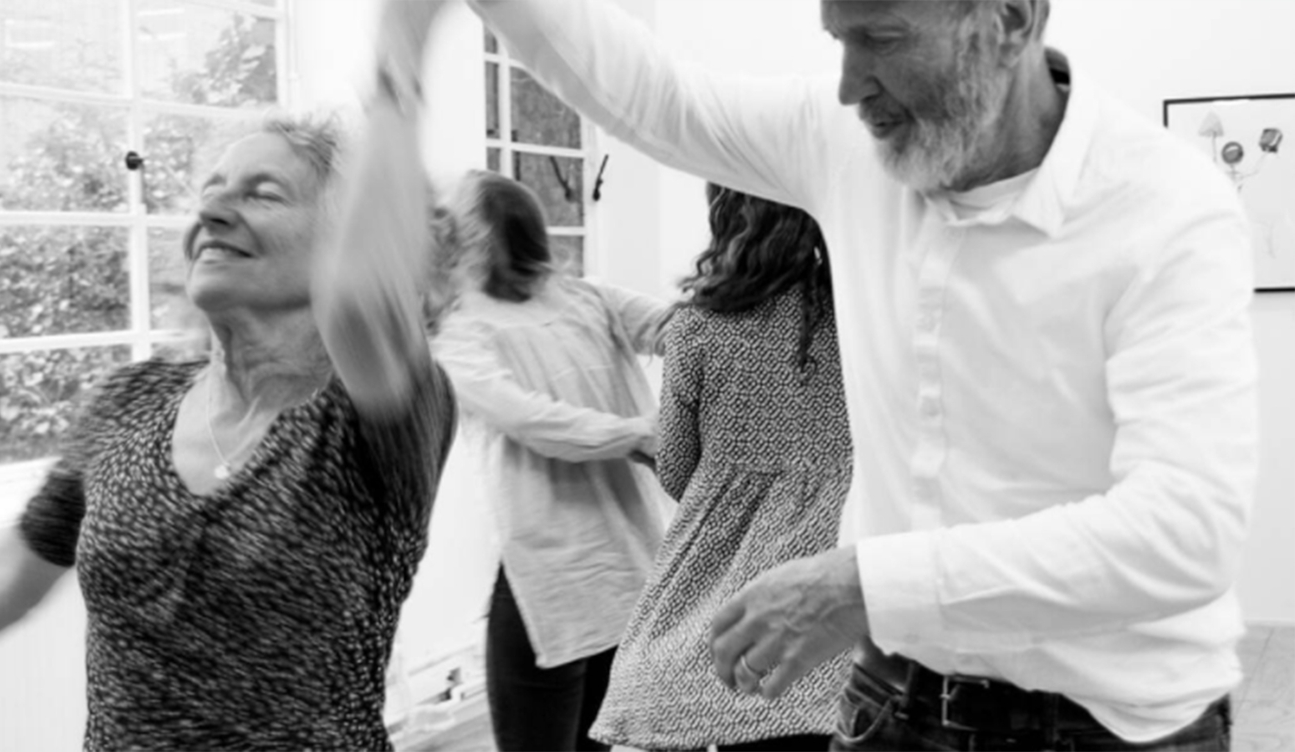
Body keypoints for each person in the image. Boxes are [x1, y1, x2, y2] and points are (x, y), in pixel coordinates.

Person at [448, 0, 1259, 749]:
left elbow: (1183, 531)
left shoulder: (1165, 209)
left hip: (1105, 729)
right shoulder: (846, 145)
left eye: (881, 37)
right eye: (838, 37)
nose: (847, 85)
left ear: (1008, 19)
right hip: (893, 703)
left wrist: (863, 584)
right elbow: (657, 97)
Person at [0, 11, 458, 746]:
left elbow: (363, 303)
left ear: (339, 240)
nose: (212, 209)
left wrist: (400, 58)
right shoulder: (130, 402)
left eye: (262, 193)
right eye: (212, 191)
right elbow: (3, 586)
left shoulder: (372, 413)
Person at [589, 183, 854, 752]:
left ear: (726, 213)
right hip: (838, 574)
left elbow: (679, 471)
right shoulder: (854, 315)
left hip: (729, 579)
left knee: (695, 686)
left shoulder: (700, 324)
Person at [430, 169, 672, 752]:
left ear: (471, 240)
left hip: (592, 577)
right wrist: (641, 434)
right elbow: (529, 420)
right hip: (590, 576)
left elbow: (681, 331)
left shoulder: (583, 300)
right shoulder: (468, 328)